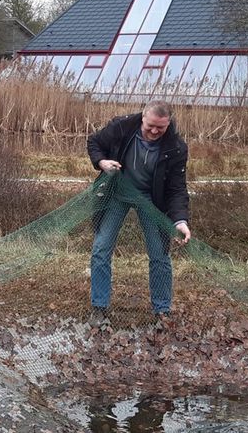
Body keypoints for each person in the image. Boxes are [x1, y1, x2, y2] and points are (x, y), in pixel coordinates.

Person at [86, 100, 191, 327]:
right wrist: (102, 162)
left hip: (152, 201)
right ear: (143, 117)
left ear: (168, 123)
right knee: (101, 248)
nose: (154, 131)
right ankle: (99, 307)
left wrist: (180, 221)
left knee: (159, 255)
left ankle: (162, 311)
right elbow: (94, 142)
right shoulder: (122, 126)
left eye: (160, 128)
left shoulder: (176, 148)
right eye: (150, 126)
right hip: (117, 193)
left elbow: (176, 189)